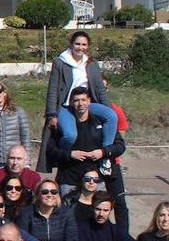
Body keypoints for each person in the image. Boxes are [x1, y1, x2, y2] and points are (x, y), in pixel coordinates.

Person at [45, 87, 128, 222]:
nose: (80, 103)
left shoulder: (102, 122)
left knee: (96, 221)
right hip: (69, 180)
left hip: (95, 181)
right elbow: (51, 151)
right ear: (71, 102)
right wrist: (70, 154)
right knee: (68, 221)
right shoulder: (64, 126)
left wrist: (103, 152)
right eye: (76, 100)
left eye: (83, 99)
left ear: (89, 101)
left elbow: (120, 146)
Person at [46, 31, 118, 174]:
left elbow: (100, 89)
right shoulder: (60, 62)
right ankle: (64, 156)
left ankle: (105, 156)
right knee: (70, 135)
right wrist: (51, 113)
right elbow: (52, 90)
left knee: (112, 116)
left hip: (86, 104)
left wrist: (108, 108)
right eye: (77, 44)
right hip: (67, 106)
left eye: (84, 44)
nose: (80, 47)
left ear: (88, 46)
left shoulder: (91, 64)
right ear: (71, 44)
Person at [0, 81, 30, 170]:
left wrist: (27, 162)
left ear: (4, 93)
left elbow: (26, 138)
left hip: (16, 162)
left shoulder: (18, 112)